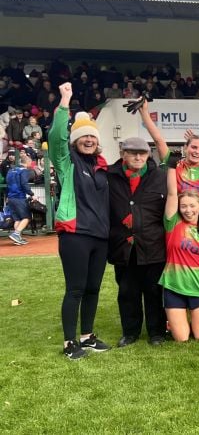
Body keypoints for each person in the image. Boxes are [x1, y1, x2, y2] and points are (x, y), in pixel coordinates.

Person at [49, 82, 111, 360]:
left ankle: (87, 336)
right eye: (84, 137)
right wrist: (64, 104)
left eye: (93, 138)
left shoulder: (101, 167)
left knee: (93, 288)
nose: (89, 141)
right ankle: (69, 342)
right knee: (75, 288)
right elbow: (56, 138)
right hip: (75, 234)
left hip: (100, 236)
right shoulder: (67, 161)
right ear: (76, 140)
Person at [107, 137, 168, 347]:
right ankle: (130, 332)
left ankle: (157, 332)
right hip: (123, 247)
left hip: (153, 245)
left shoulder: (161, 176)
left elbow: (180, 200)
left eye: (142, 153)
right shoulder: (109, 176)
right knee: (127, 292)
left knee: (154, 292)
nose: (138, 157)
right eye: (133, 153)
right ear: (123, 154)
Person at [160, 161, 199, 342]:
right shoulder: (173, 224)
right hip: (174, 284)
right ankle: (171, 322)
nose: (188, 210)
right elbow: (173, 193)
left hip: (198, 286)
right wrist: (172, 167)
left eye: (192, 206)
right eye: (184, 207)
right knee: (182, 339)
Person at [4, 151, 34, 245]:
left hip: (11, 197)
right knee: (26, 217)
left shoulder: (11, 170)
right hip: (19, 197)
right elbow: (24, 184)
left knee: (17, 219)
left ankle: (17, 238)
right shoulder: (23, 171)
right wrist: (31, 194)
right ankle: (16, 234)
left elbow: (8, 183)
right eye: (30, 162)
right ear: (27, 162)